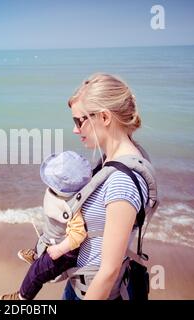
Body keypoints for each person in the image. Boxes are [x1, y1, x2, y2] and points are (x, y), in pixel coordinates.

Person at [63, 73, 152, 300]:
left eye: (79, 120)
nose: (75, 129)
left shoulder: (121, 181)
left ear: (104, 117)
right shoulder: (120, 157)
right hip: (82, 283)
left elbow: (109, 271)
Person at [0, 150, 92, 300]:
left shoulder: (74, 208)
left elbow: (78, 234)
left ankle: (23, 296)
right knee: (43, 236)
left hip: (65, 253)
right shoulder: (56, 195)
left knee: (36, 272)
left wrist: (60, 249)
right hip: (52, 237)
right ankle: (36, 255)